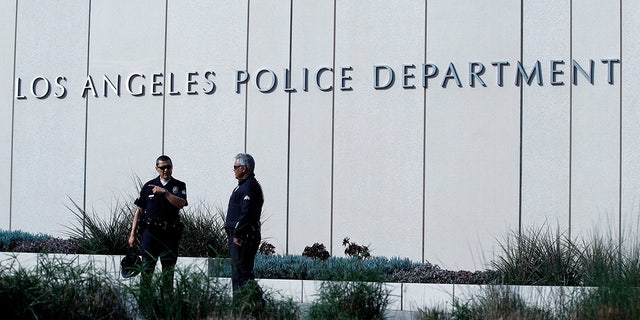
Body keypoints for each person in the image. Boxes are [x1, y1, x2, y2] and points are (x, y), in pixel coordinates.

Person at [128, 155, 187, 293]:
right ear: (157, 169)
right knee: (147, 269)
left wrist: (165, 192)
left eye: (169, 167)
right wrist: (132, 234)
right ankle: (144, 305)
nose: (166, 170)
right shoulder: (148, 186)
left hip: (170, 233)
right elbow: (139, 211)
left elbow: (181, 203)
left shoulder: (179, 185)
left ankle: (166, 305)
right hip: (150, 232)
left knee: (168, 271)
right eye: (163, 167)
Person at [225, 153, 264, 293]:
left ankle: (246, 308)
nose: (233, 169)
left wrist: (237, 233)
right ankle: (251, 306)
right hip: (238, 236)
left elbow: (247, 214)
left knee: (242, 275)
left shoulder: (250, 187)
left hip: (243, 238)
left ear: (244, 168)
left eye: (236, 167)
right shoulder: (242, 186)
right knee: (241, 274)